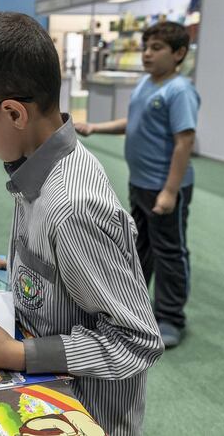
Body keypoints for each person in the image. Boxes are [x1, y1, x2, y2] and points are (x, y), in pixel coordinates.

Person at [0, 12, 163, 436]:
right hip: (44, 394)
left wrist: (18, 355)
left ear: (13, 113)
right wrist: (23, 269)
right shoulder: (34, 170)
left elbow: (137, 341)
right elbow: (62, 272)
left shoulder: (73, 207)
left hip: (84, 415)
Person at [75, 22, 199, 349]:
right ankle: (136, 306)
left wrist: (170, 191)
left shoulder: (179, 90)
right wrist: (95, 127)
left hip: (165, 187)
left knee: (170, 250)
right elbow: (136, 123)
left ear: (179, 54)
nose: (146, 53)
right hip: (141, 184)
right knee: (139, 245)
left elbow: (184, 141)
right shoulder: (146, 83)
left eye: (156, 48)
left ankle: (170, 317)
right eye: (145, 46)